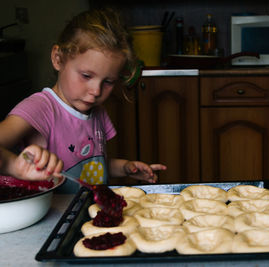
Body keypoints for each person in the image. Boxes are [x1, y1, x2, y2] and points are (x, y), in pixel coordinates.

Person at [0, 8, 166, 192]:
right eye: (86, 75)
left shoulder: (98, 112)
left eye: (109, 82)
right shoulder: (40, 108)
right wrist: (14, 165)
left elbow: (90, 167)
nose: (96, 91)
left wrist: (126, 167)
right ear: (58, 58)